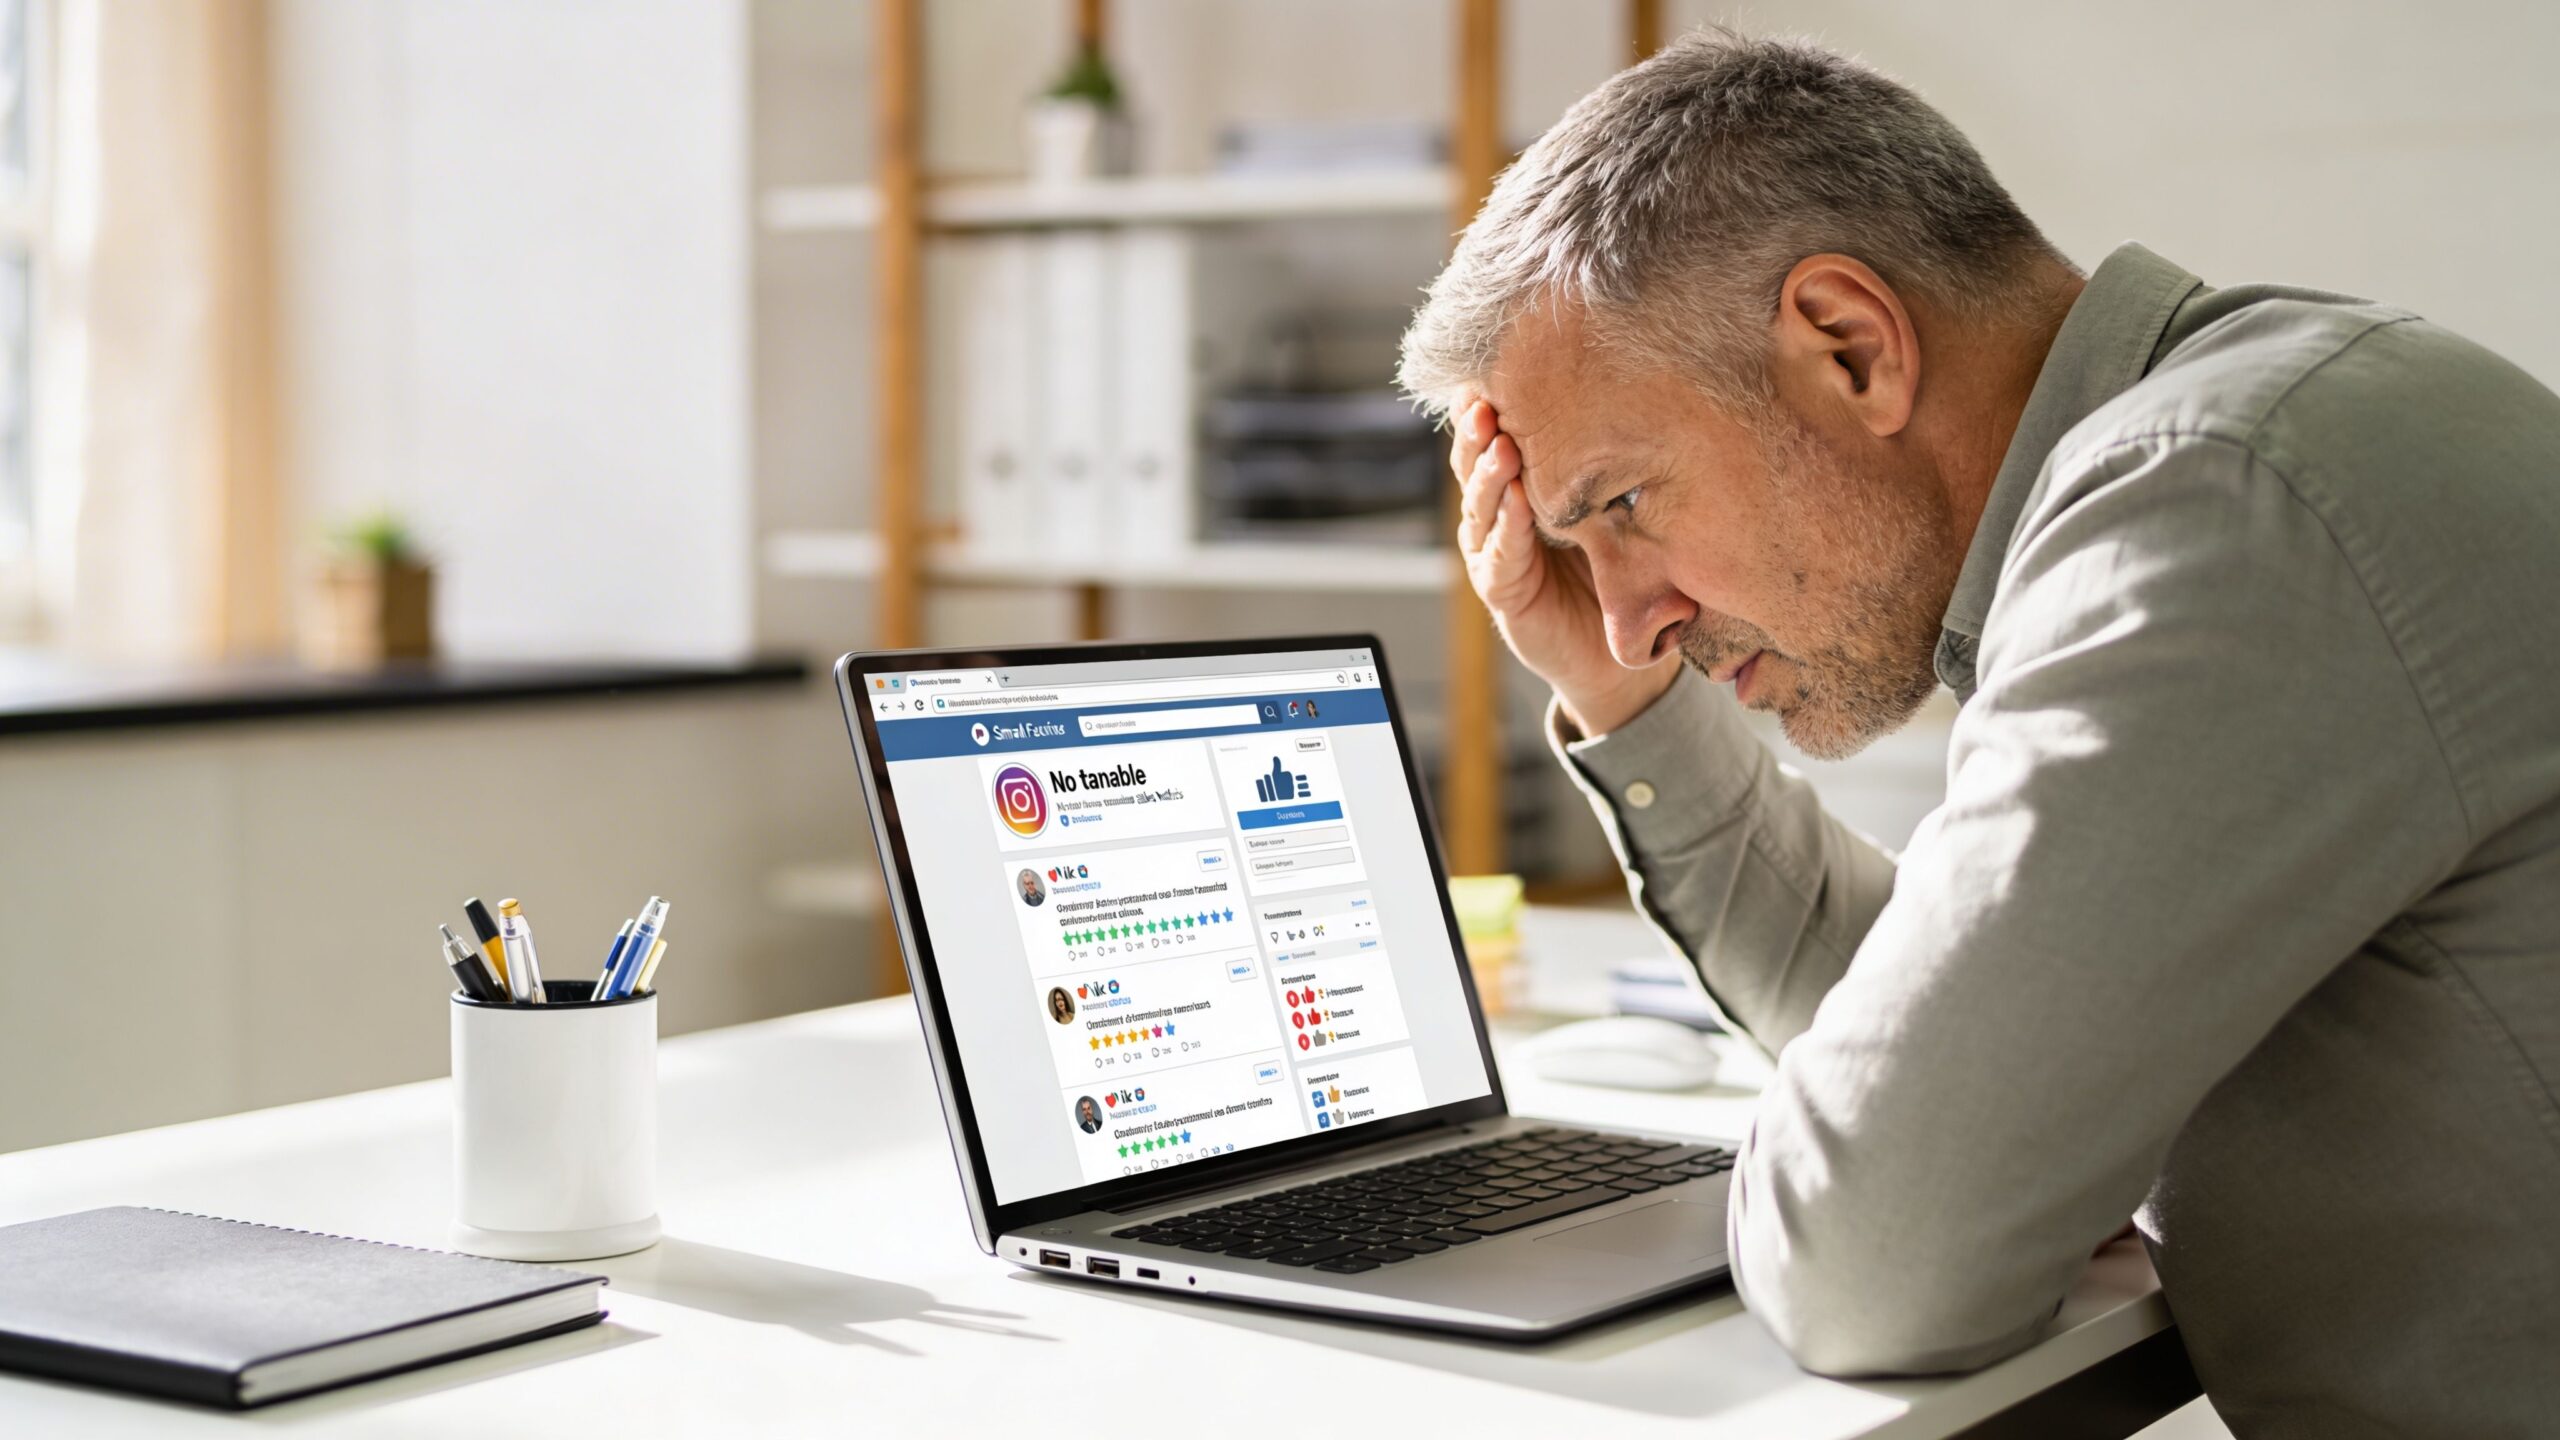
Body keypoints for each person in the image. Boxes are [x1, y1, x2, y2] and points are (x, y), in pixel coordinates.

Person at [1397, 29, 2560, 1436]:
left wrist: (1870, 1168)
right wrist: (1615, 696)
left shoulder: (2212, 506)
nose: (1632, 620)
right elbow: (1958, 1047)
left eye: (1624, 506)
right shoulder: (2261, 428)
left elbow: (1878, 1258)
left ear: (1850, 347)